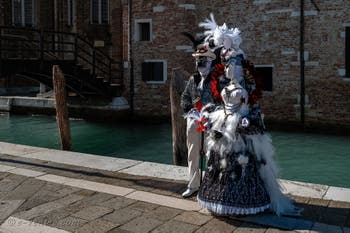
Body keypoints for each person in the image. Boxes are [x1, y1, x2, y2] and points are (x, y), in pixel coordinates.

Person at [180, 44, 228, 198]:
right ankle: (193, 185)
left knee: (211, 154)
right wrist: (189, 110)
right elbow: (185, 97)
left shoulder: (219, 80)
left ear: (210, 61)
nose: (200, 64)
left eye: (204, 60)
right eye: (198, 61)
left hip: (211, 123)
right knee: (193, 153)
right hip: (194, 121)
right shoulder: (193, 79)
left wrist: (213, 114)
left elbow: (224, 100)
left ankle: (211, 186)